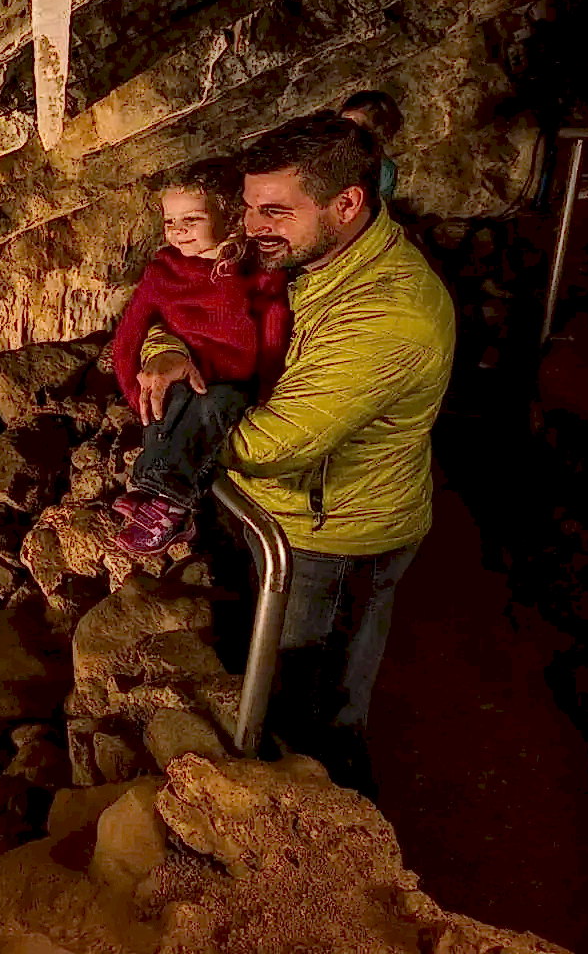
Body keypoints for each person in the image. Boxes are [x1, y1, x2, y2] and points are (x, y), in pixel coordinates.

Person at [134, 111, 455, 794]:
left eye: (275, 210)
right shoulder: (309, 256)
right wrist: (167, 351)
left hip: (334, 533)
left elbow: (275, 443)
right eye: (249, 208)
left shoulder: (387, 313)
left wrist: (181, 432)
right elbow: (188, 318)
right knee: (277, 671)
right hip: (292, 513)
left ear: (347, 203)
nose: (253, 228)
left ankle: (333, 840)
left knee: (314, 708)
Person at [110, 159, 292, 555]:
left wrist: (268, 387)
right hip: (182, 374)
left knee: (211, 404)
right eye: (170, 221)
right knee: (166, 404)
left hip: (232, 380)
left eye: (192, 218)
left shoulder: (251, 269)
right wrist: (133, 391)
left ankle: (171, 508)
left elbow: (274, 324)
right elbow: (129, 334)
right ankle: (153, 493)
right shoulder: (163, 271)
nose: (179, 231)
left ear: (228, 216)